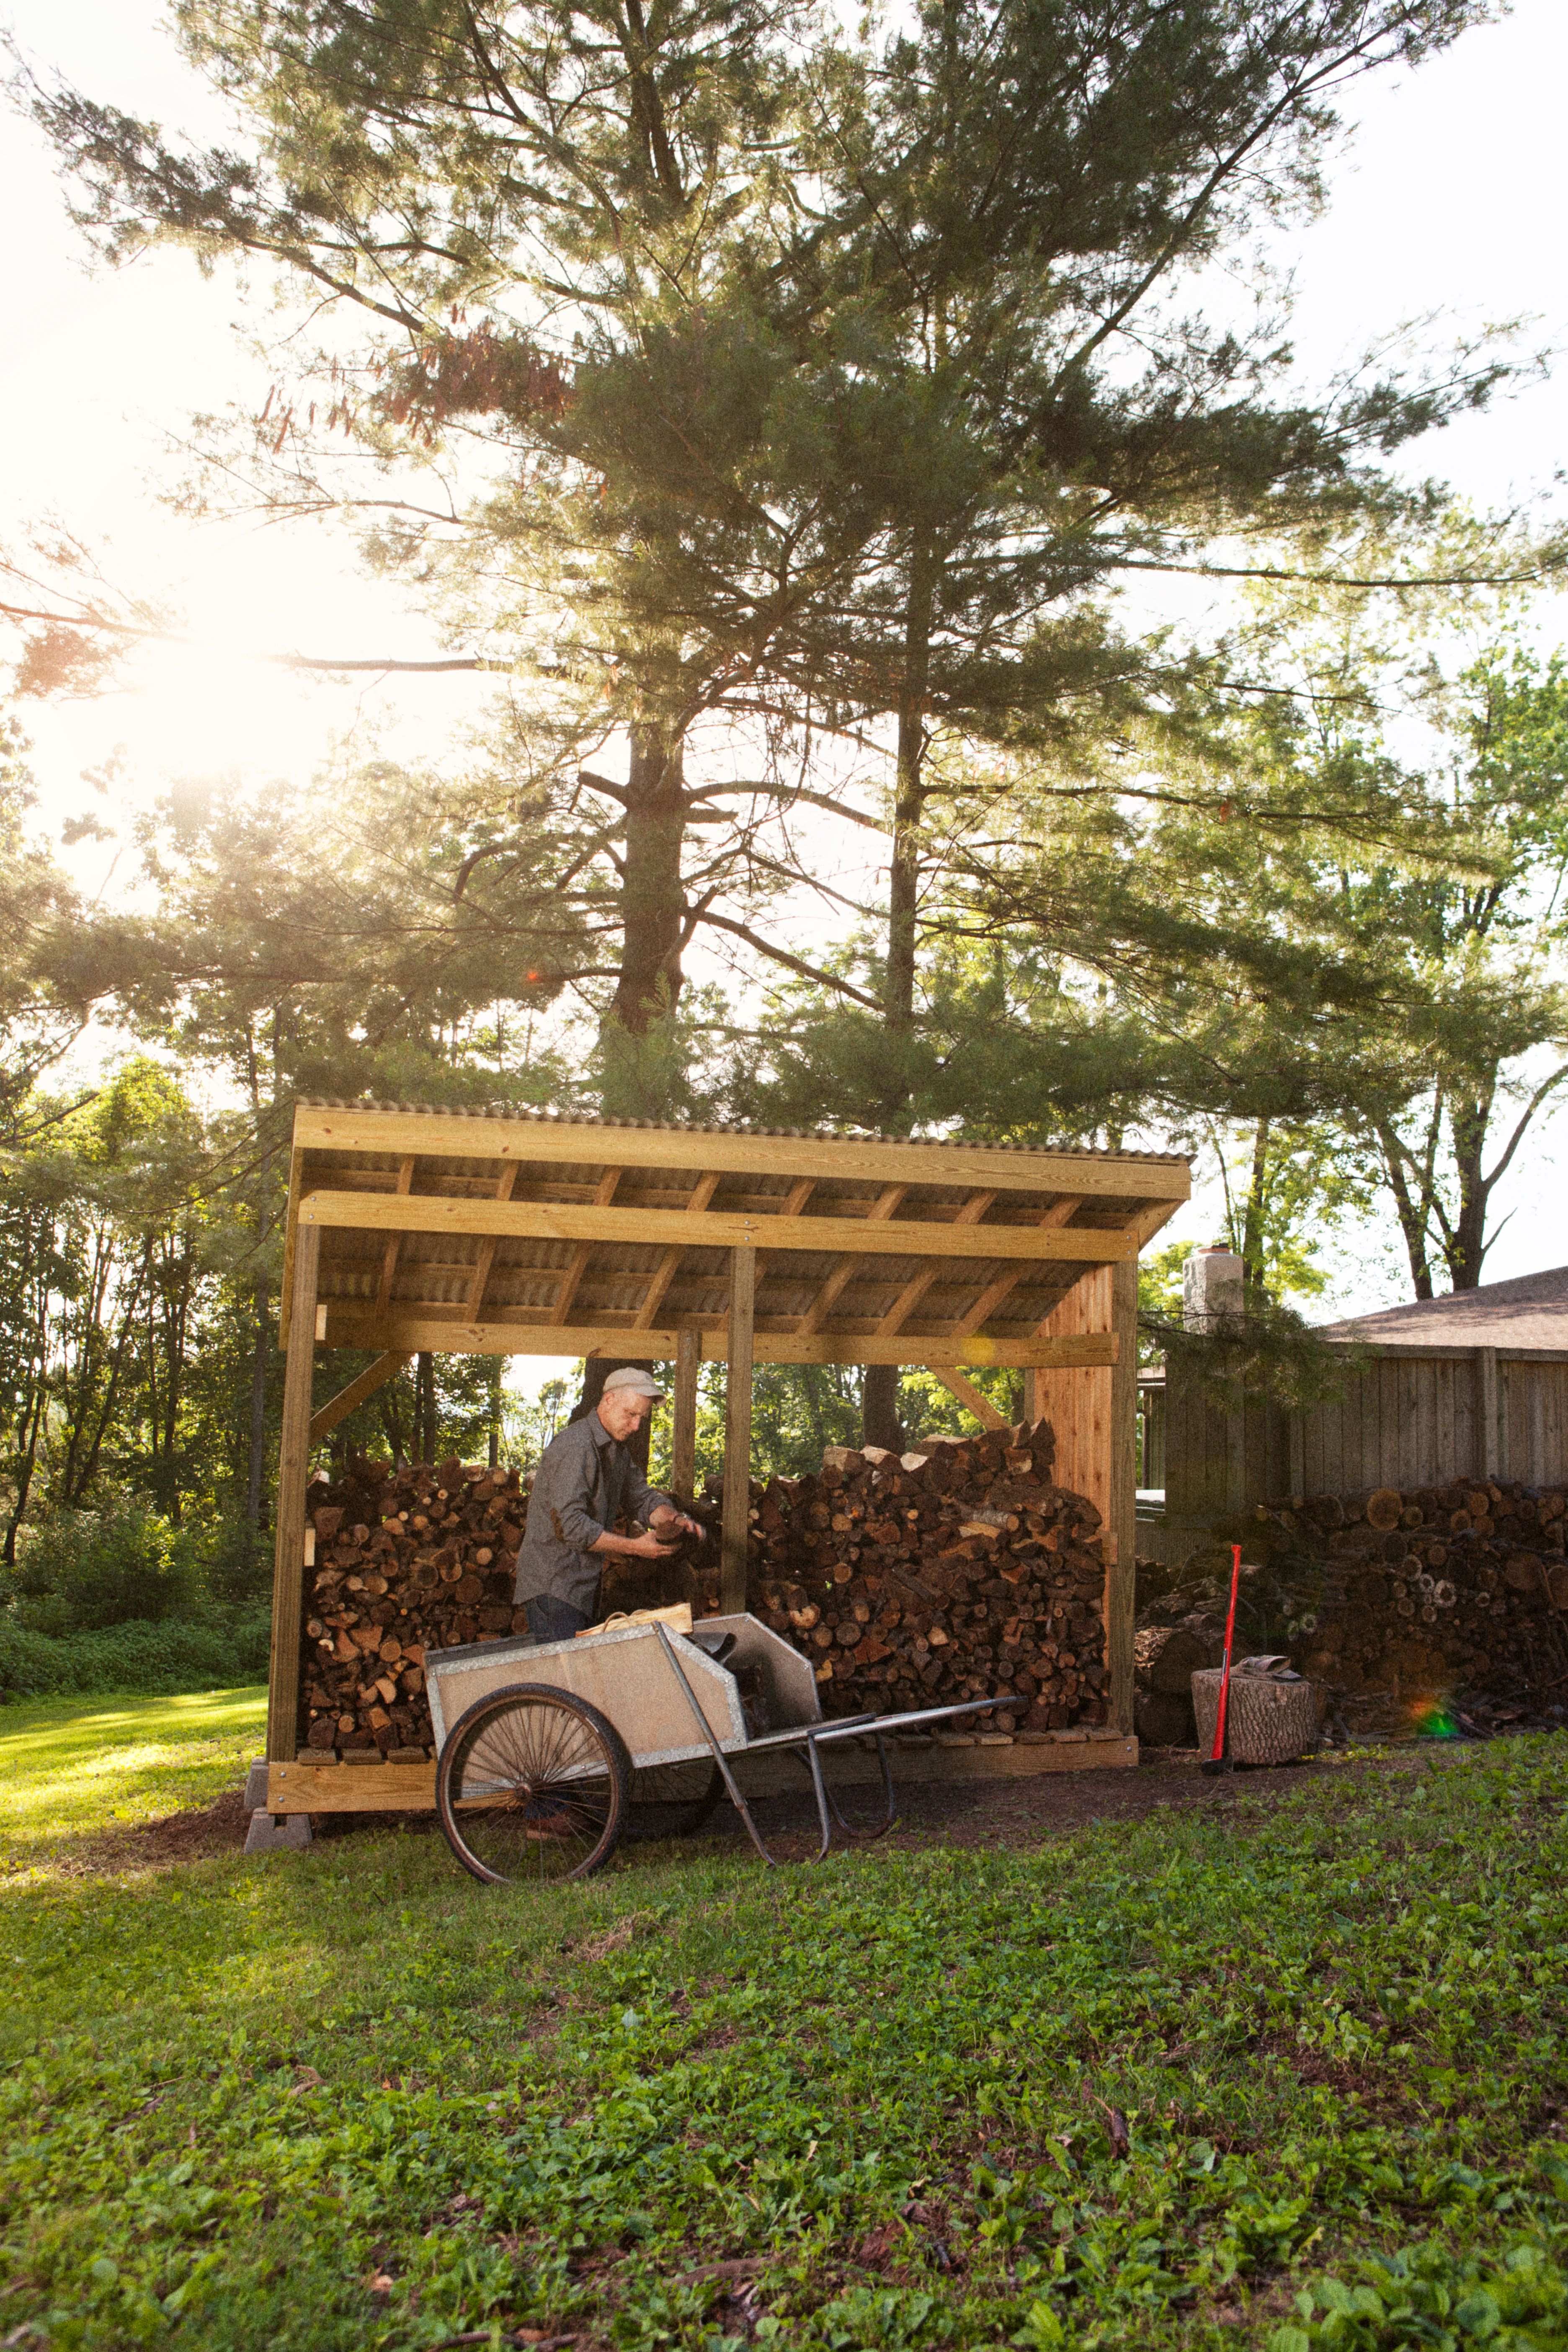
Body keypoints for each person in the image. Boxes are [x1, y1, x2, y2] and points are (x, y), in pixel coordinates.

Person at [513, 1366, 702, 1643]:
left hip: (580, 1590)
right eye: (631, 1414)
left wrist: (674, 1520)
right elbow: (570, 1526)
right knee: (568, 1681)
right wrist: (635, 1548)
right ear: (609, 1400)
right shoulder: (576, 1447)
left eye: (642, 1418)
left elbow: (643, 1498)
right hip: (553, 1589)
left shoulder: (617, 1452)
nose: (637, 1426)